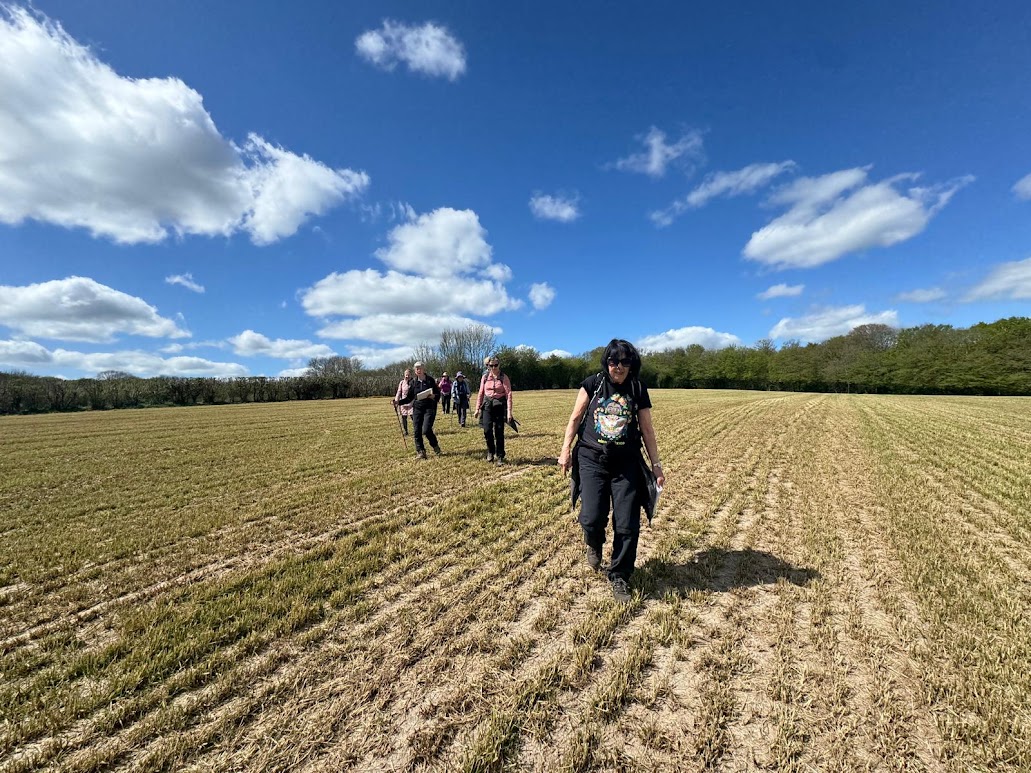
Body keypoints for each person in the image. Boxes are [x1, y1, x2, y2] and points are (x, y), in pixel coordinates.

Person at [558, 339, 665, 603]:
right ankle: (594, 543)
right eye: (613, 361)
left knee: (628, 524)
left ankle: (620, 576)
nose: (618, 366)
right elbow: (575, 418)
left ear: (632, 364)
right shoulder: (593, 384)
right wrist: (565, 450)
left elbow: (647, 429)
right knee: (591, 517)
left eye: (625, 361)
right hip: (591, 459)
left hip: (626, 463)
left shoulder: (637, 388)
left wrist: (656, 465)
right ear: (606, 363)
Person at [393, 361, 442, 459]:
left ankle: (435, 445)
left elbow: (438, 394)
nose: (418, 370)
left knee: (426, 430)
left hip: (429, 407)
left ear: (424, 369)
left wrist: (433, 396)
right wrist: (398, 402)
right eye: (416, 368)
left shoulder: (430, 380)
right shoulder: (413, 383)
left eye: (419, 368)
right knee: (417, 430)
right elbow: (409, 398)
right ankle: (421, 451)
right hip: (417, 408)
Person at [474, 355, 513, 465]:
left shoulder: (504, 377)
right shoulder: (485, 377)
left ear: (499, 365)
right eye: (491, 365)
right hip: (487, 406)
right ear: (488, 366)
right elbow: (481, 393)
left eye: (496, 365)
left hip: (499, 406)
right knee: (487, 430)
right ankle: (491, 451)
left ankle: (500, 456)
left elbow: (509, 394)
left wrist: (509, 412)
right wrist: (477, 408)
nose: (494, 367)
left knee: (499, 432)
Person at [393, 368, 413, 436]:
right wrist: (396, 401)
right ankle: (406, 431)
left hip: (411, 403)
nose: (407, 376)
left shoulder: (413, 382)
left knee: (413, 417)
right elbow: (399, 392)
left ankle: (418, 430)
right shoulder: (401, 383)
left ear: (411, 375)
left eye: (408, 375)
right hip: (403, 403)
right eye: (406, 374)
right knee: (404, 417)